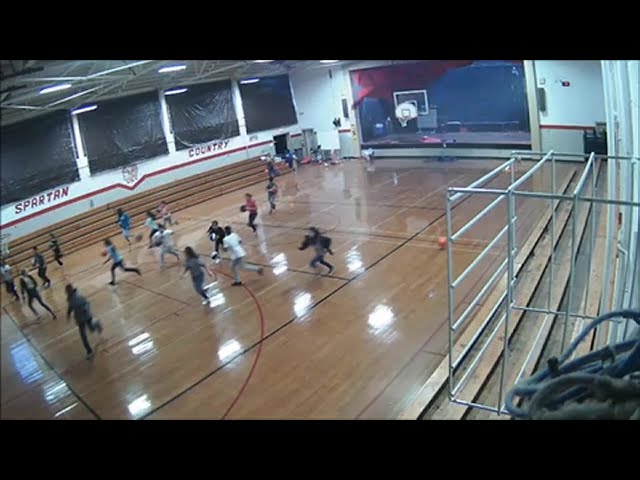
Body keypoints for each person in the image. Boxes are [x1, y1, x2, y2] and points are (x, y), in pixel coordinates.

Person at [66, 284, 103, 359]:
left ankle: (97, 324)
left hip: (86, 317)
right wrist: (68, 315)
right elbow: (70, 308)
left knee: (91, 329)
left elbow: (87, 303)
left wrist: (86, 310)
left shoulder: (78, 297)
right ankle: (89, 351)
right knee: (83, 336)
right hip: (80, 320)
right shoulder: (70, 299)